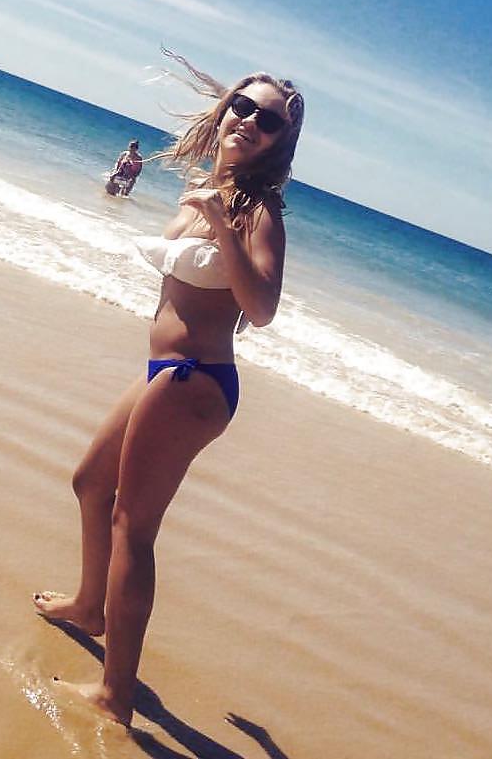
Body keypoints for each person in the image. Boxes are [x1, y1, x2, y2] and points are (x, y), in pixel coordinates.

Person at [33, 57, 305, 728]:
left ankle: (115, 694)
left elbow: (262, 308)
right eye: (243, 105)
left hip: (195, 382)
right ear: (226, 109)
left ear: (280, 141)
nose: (249, 120)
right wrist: (210, 209)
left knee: (134, 526)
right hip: (163, 371)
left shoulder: (258, 210)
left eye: (268, 120)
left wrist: (224, 227)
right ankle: (90, 607)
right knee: (90, 482)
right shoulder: (207, 187)